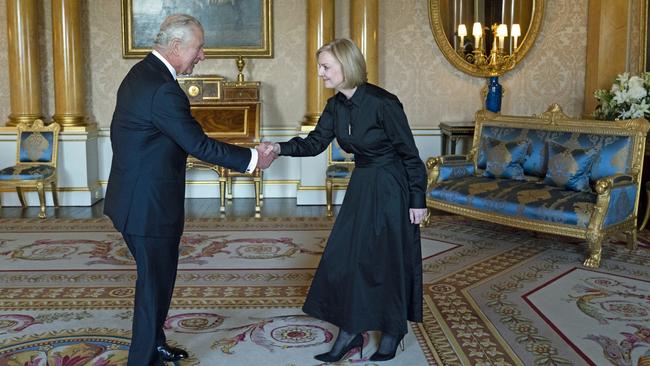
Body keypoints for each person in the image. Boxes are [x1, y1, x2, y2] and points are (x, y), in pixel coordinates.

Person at [104, 14, 274, 366]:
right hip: (147, 206)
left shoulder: (142, 73)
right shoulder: (163, 88)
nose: (203, 55)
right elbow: (200, 145)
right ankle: (142, 359)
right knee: (153, 286)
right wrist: (254, 158)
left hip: (135, 197)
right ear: (177, 46)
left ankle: (155, 344)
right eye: (199, 48)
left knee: (159, 280)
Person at [260, 38, 428, 363]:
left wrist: (417, 199)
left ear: (346, 66)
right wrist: (279, 147)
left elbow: (410, 155)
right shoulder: (334, 106)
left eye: (325, 67)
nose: (320, 73)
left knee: (387, 259)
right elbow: (314, 143)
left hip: (393, 187)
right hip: (363, 183)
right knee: (348, 258)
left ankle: (393, 330)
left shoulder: (384, 103)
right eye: (320, 67)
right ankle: (350, 331)